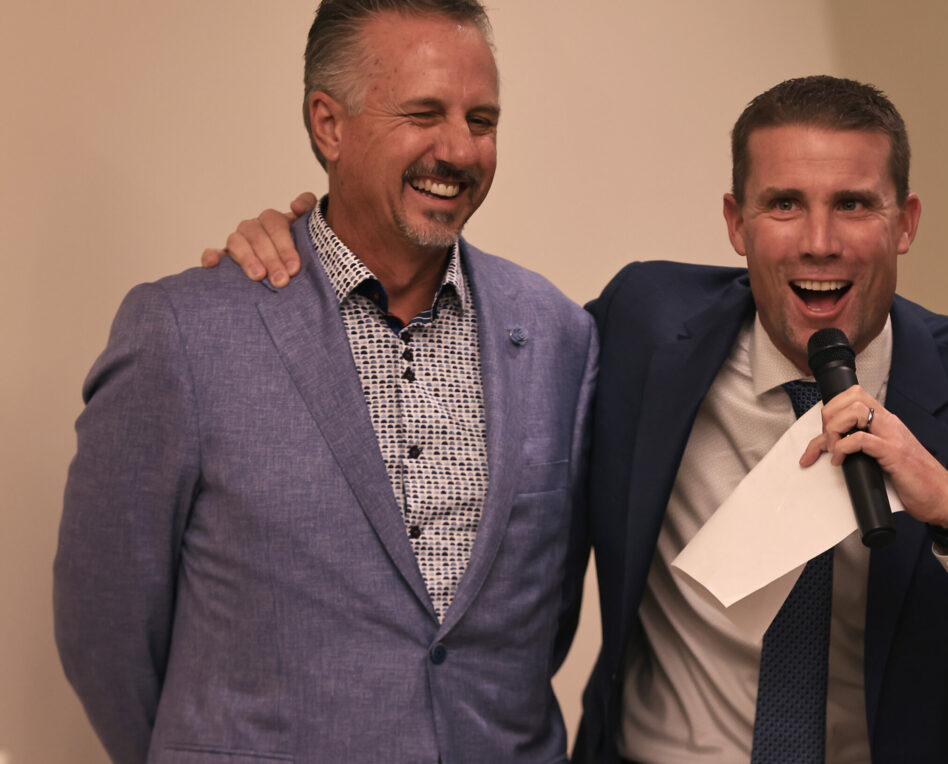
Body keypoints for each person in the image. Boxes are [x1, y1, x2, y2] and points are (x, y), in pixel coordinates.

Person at [209, 76, 948, 763]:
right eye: (784, 205)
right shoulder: (640, 329)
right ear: (736, 223)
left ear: (905, 223)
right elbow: (439, 319)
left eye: (854, 205)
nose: (819, 241)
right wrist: (312, 241)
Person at [54, 1, 596, 762]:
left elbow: (548, 611)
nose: (459, 150)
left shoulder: (559, 335)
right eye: (423, 113)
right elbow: (105, 623)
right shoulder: (183, 333)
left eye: (482, 119)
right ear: (328, 125)